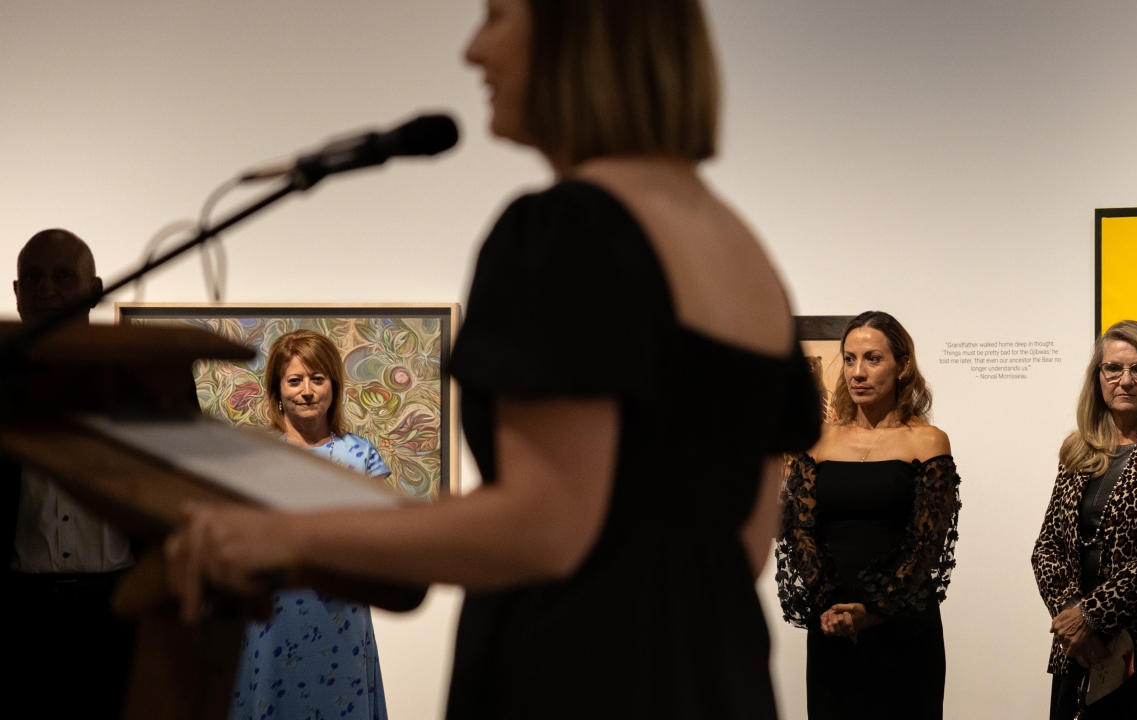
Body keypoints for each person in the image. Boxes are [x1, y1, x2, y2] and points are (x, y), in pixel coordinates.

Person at [162, 0, 822, 717]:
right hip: (718, 680)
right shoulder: (746, 256)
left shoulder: (567, 228)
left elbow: (544, 526)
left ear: (582, 32)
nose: (473, 50)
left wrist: (278, 533)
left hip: (577, 681)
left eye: (499, 15)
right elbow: (748, 541)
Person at [776, 311, 959, 720]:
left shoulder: (928, 440)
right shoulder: (818, 440)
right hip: (832, 625)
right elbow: (799, 532)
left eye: (873, 359)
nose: (857, 372)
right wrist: (833, 608)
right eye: (850, 358)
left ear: (903, 366)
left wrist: (872, 612)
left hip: (902, 628)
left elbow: (927, 544)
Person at [1032, 320, 1137, 720]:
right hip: (1079, 651)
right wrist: (1073, 620)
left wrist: (1092, 616)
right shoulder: (1080, 448)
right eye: (1113, 369)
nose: (1125, 380)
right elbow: (1048, 547)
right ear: (1099, 377)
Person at [2, 229, 134, 719]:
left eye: (62, 276)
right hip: (18, 613)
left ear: (94, 289)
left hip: (116, 609)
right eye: (31, 278)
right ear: (16, 293)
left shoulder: (138, 373)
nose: (46, 290)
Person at [231, 330, 389, 720]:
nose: (306, 391)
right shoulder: (254, 455)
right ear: (277, 389)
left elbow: (380, 537)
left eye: (317, 379)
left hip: (341, 617)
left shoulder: (360, 455)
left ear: (334, 385)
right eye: (294, 380)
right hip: (270, 617)